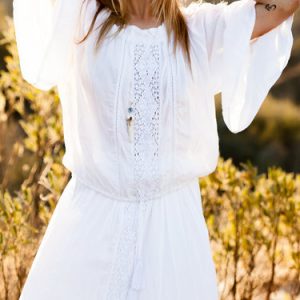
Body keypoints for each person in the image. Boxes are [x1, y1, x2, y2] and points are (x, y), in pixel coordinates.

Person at [13, 0, 298, 299]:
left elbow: (279, 7)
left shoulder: (199, 30)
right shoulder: (82, 19)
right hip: (90, 227)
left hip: (173, 233)